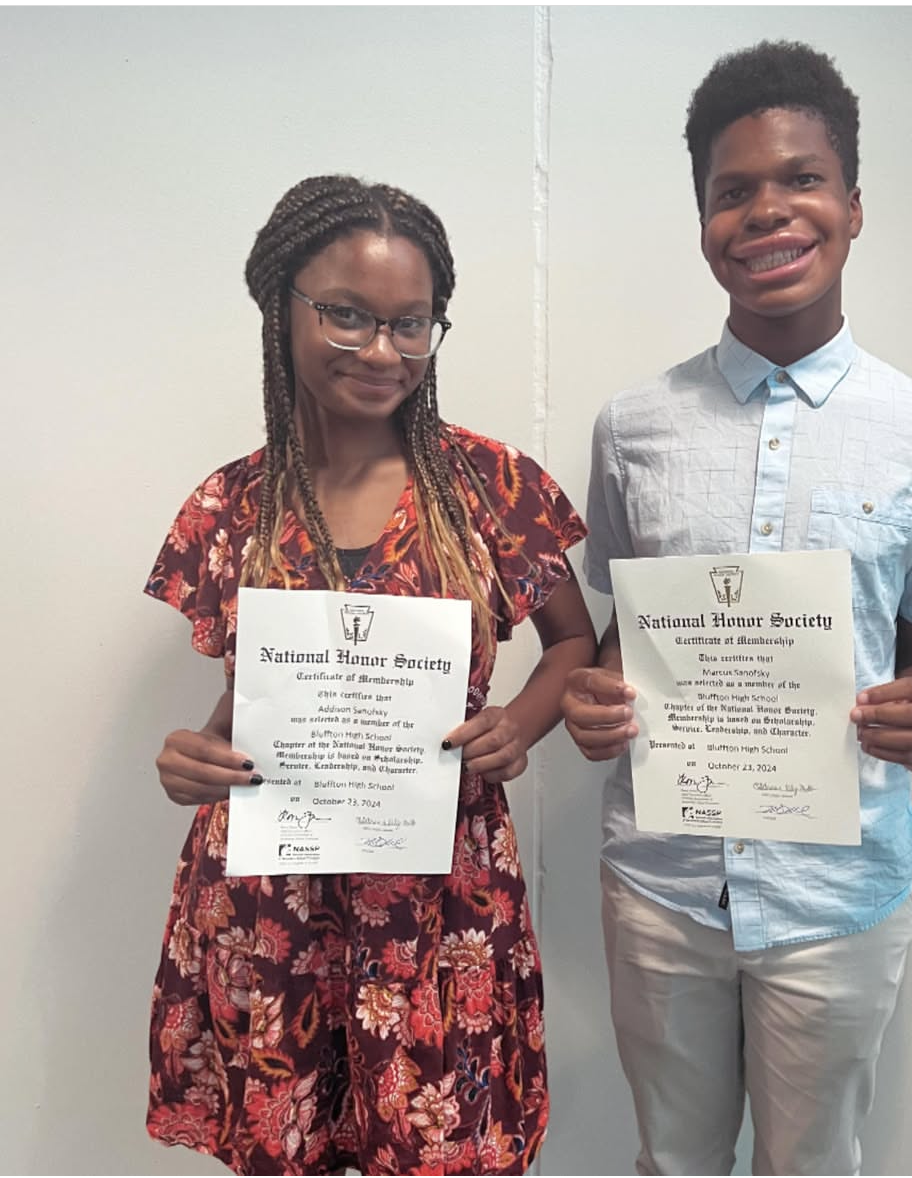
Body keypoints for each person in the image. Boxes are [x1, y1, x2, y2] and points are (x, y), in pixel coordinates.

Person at [561, 40, 912, 1176]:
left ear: (853, 204)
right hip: (662, 883)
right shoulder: (632, 428)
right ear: (703, 219)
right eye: (732, 190)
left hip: (835, 892)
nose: (766, 212)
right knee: (671, 1161)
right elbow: (625, 634)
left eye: (801, 178)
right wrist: (594, 695)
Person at [144, 175, 596, 1175]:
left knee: (438, 1145)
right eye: (346, 314)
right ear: (281, 306)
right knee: (288, 1144)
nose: (383, 350)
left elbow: (576, 643)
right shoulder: (233, 503)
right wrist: (195, 758)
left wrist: (520, 722)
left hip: (437, 902)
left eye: (410, 322)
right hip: (273, 898)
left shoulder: (490, 485)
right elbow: (252, 699)